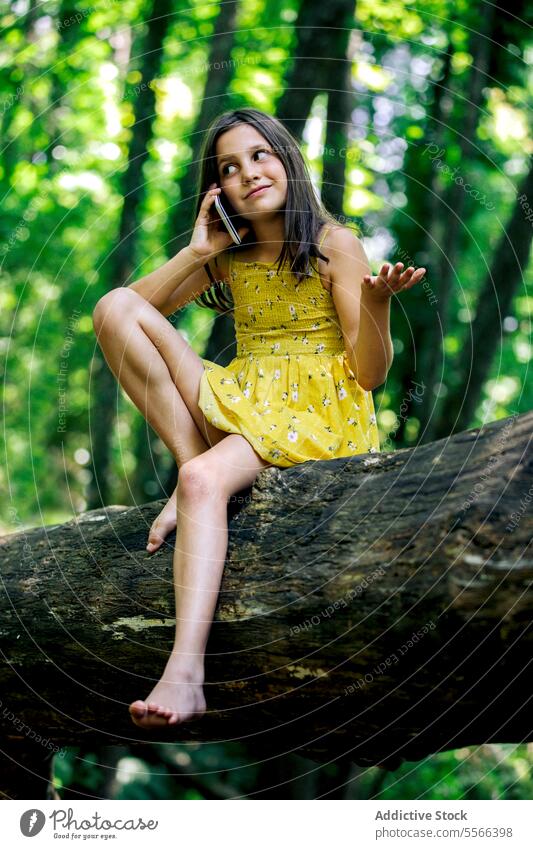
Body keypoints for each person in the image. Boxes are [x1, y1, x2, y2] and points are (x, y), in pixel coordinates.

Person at [92, 107, 426, 729]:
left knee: (200, 485)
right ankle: (198, 470)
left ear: (287, 159)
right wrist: (198, 254)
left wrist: (376, 306)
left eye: (259, 155)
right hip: (245, 400)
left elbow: (371, 374)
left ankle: (185, 674)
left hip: (317, 416)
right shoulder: (228, 253)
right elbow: (124, 315)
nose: (248, 173)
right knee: (113, 307)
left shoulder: (332, 244)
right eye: (229, 167)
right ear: (217, 188)